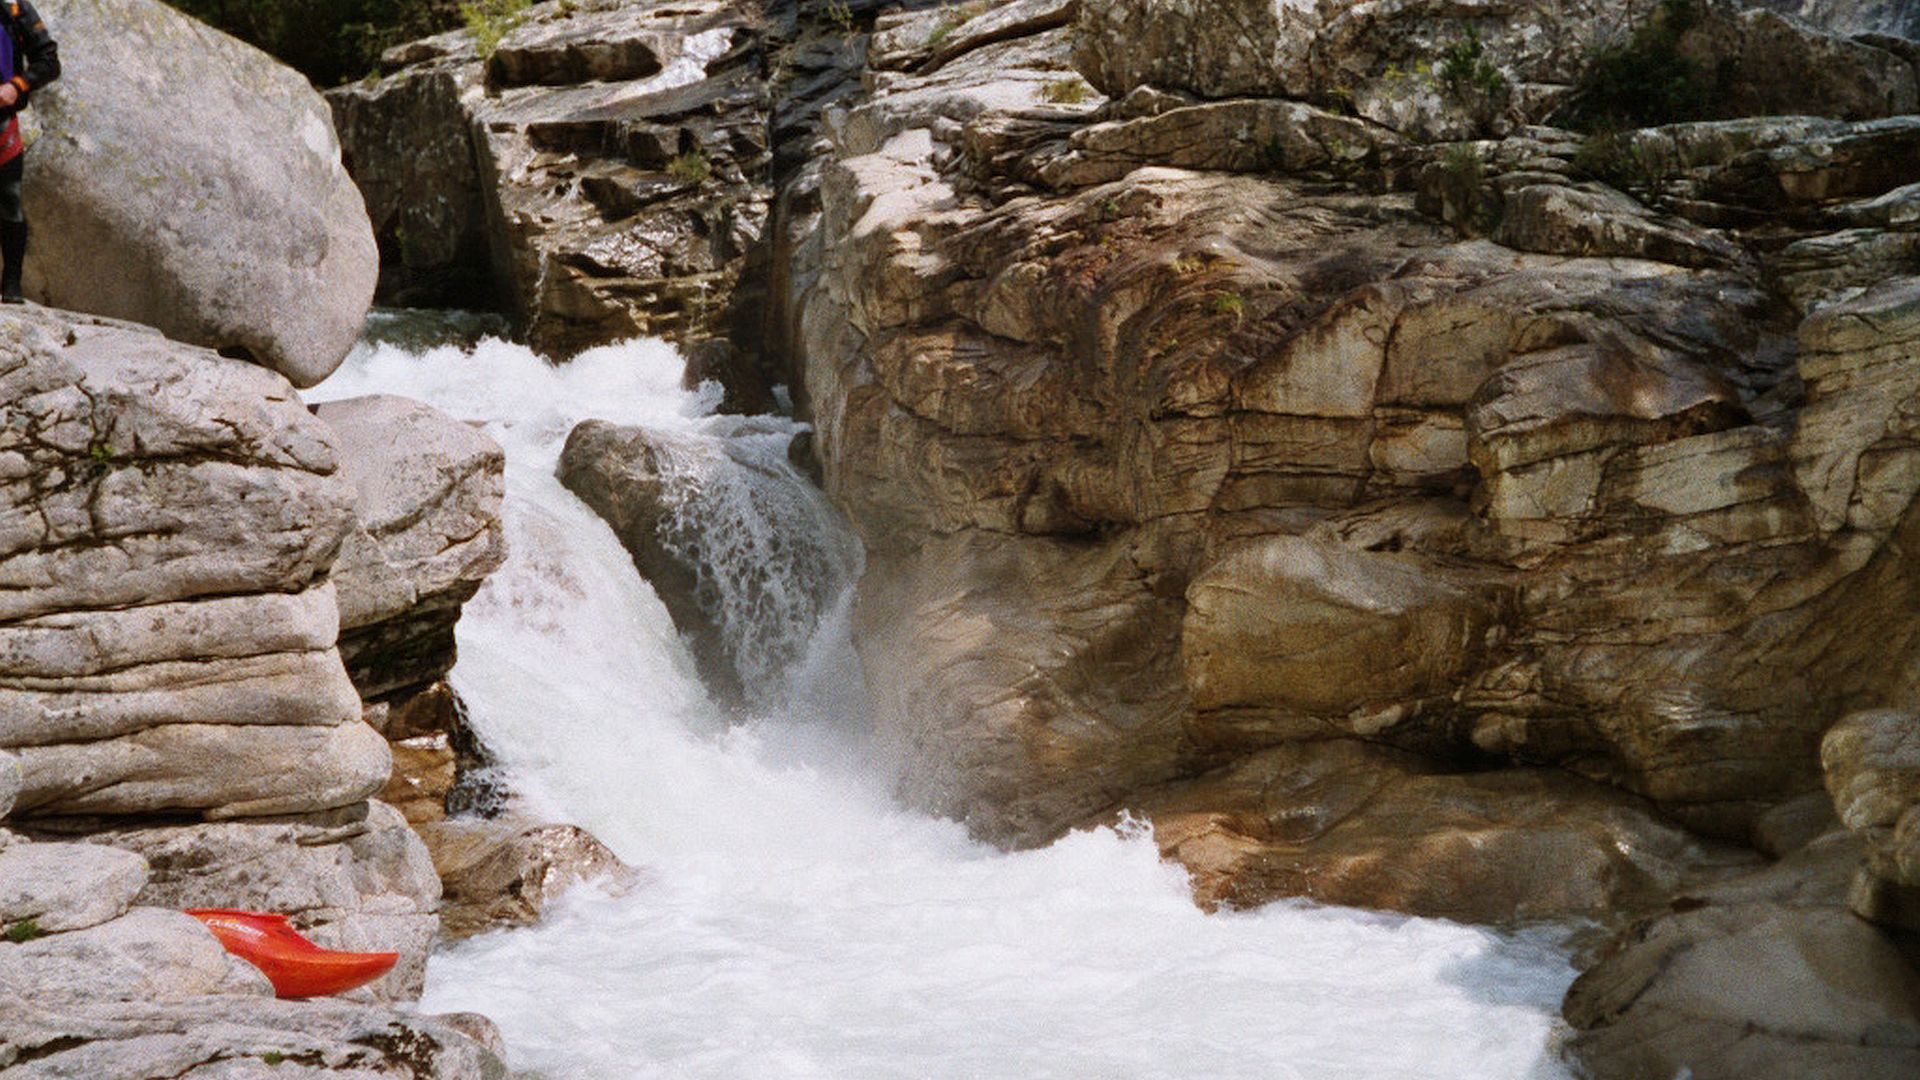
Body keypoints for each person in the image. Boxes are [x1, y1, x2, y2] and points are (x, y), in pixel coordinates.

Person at [0, 1, 57, 304]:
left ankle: (11, 284)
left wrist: (17, 85)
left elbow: (49, 60)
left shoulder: (14, 9)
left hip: (2, 123)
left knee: (9, 202)